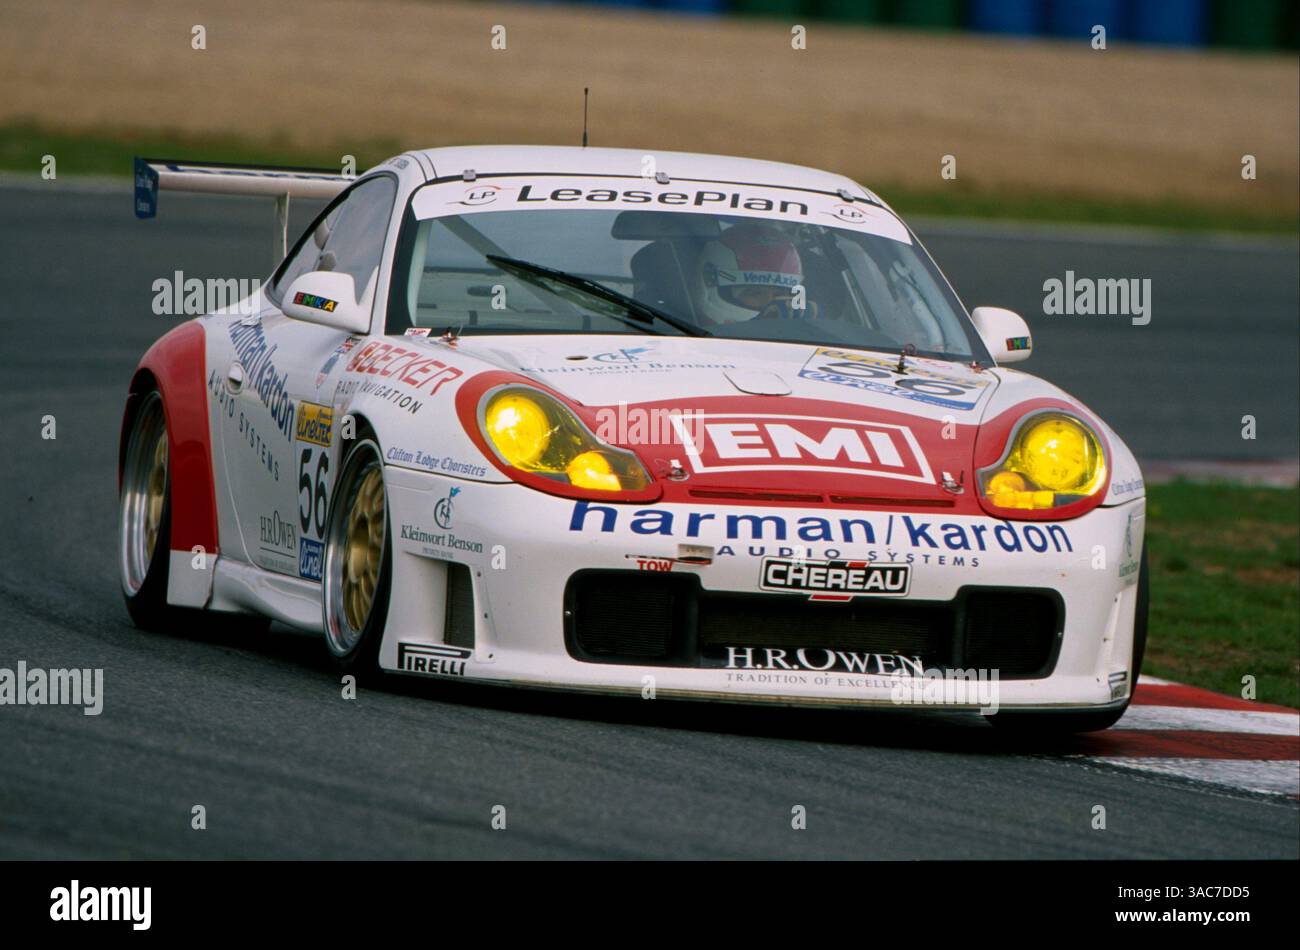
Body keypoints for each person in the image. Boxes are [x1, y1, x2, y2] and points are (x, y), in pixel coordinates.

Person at [690, 222, 819, 324]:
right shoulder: (679, 349)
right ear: (709, 286)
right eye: (755, 293)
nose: (771, 304)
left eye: (780, 294)